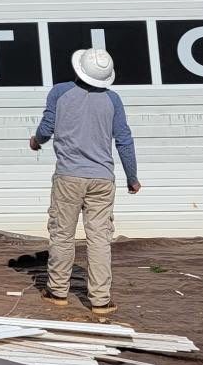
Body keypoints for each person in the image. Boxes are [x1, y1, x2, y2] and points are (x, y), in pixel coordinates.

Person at [28, 47, 141, 314]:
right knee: (100, 239)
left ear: (79, 68)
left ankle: (57, 291)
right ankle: (100, 300)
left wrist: (36, 141)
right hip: (102, 180)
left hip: (68, 177)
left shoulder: (60, 92)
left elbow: (46, 128)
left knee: (62, 235)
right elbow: (124, 140)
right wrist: (132, 177)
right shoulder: (113, 100)